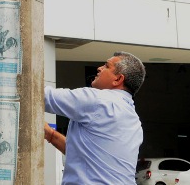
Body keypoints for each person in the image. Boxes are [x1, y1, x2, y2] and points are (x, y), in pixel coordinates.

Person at [43, 51, 146, 185]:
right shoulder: (133, 120)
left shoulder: (99, 100)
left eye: (106, 66)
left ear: (118, 79)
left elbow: (40, 95)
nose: (99, 68)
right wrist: (51, 135)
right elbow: (88, 156)